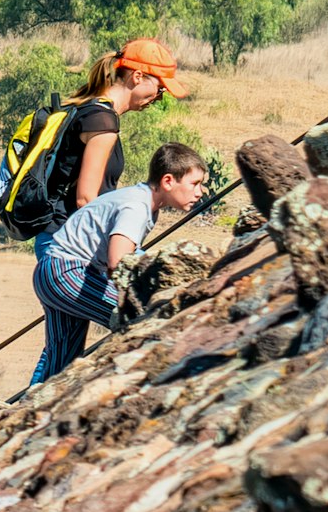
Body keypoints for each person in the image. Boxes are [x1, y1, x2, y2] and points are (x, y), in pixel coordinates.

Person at [35, 141, 211, 385]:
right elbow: (118, 261)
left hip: (52, 271)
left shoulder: (140, 200)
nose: (200, 192)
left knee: (61, 360)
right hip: (68, 273)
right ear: (168, 181)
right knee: (140, 319)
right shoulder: (137, 206)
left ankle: (21, 414)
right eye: (195, 184)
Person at [35, 38, 184, 232]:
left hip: (62, 234)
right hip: (70, 239)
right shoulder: (102, 121)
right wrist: (115, 238)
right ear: (137, 76)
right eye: (160, 89)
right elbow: (86, 199)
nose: (159, 98)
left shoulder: (91, 110)